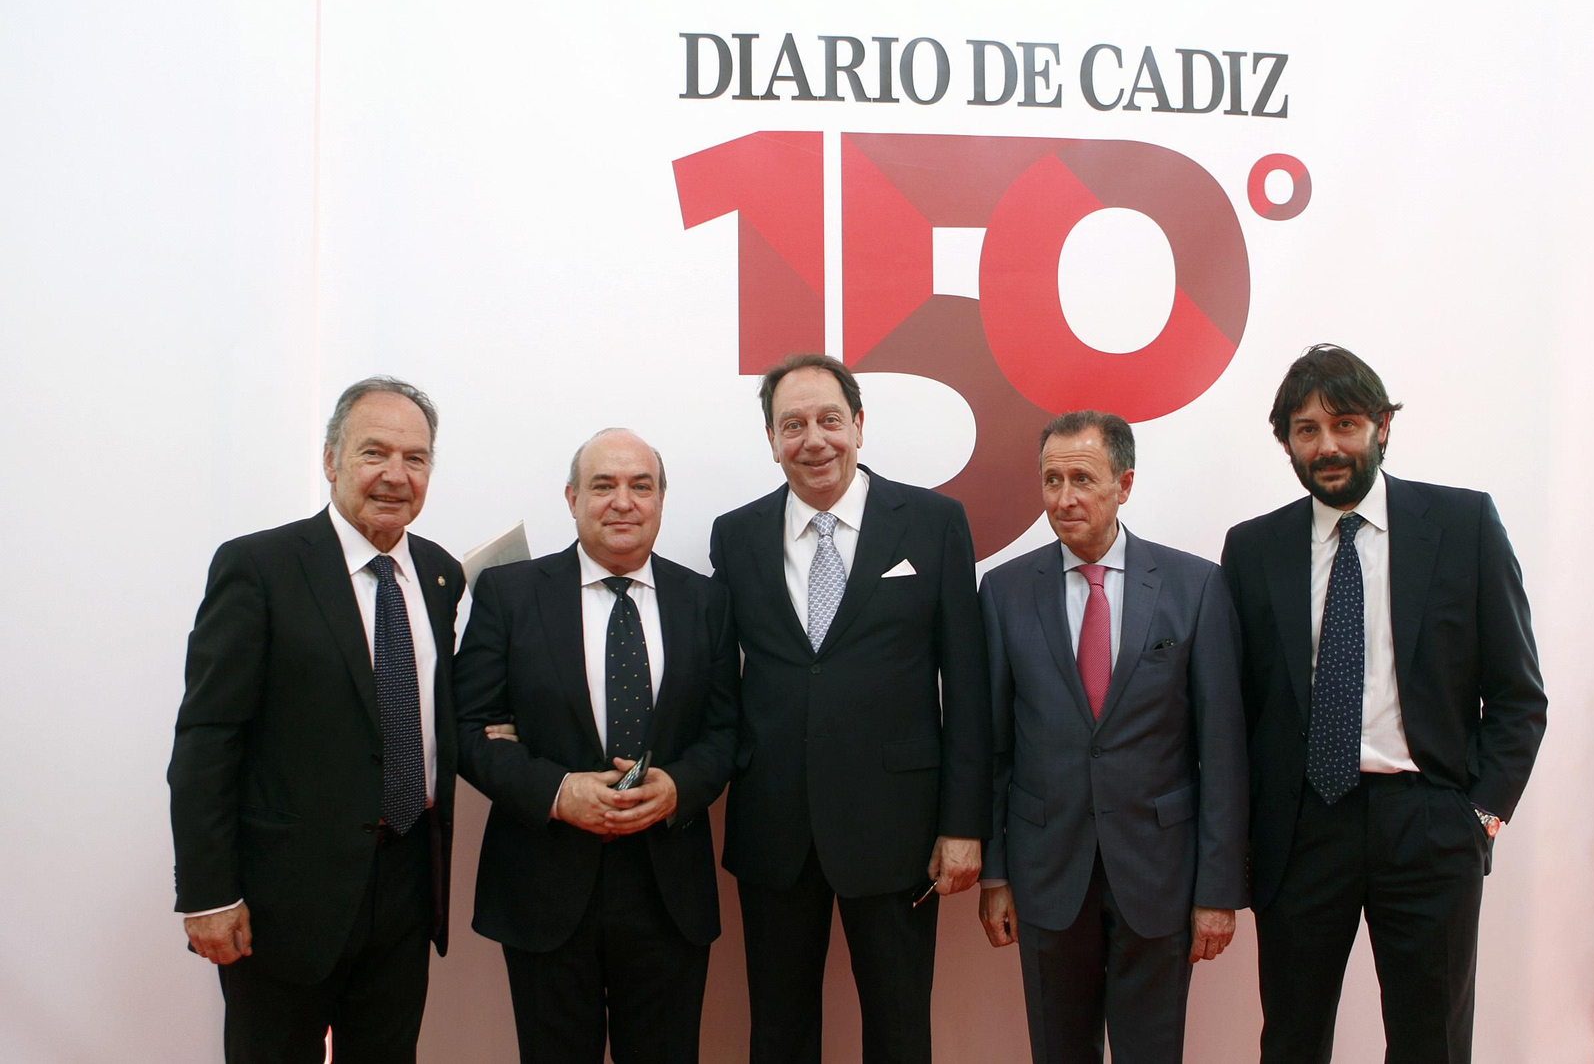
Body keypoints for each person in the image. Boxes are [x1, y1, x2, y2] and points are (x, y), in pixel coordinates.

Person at [1221, 344, 1547, 1063]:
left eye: (1345, 422)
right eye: (1306, 429)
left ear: (1382, 427)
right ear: (1286, 443)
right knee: (1293, 1041)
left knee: (1431, 1041)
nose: (1328, 444)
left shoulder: (1464, 526)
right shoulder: (1252, 549)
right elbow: (1234, 710)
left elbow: (1520, 695)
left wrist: (1481, 815)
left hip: (1429, 823)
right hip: (1302, 832)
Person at [168, 376, 465, 1062]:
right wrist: (209, 892)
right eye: (374, 452)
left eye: (415, 458)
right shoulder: (260, 565)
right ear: (331, 461)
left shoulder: (443, 574)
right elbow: (209, 736)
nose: (396, 474)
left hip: (407, 888)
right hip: (283, 900)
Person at [709, 354, 991, 1064]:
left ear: (859, 424)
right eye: (793, 424)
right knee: (778, 1030)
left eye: (830, 419)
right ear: (771, 438)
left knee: (899, 1030)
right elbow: (715, 680)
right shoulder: (735, 535)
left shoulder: (933, 523)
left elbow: (967, 686)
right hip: (775, 827)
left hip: (897, 830)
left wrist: (963, 824)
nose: (815, 440)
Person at [454, 428, 738, 1063]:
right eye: (603, 485)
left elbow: (726, 732)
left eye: (641, 486)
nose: (623, 501)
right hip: (543, 885)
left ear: (662, 500)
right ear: (572, 497)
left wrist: (679, 788)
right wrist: (557, 792)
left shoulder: (707, 603)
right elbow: (467, 730)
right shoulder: (509, 594)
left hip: (668, 891)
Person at [976, 410, 1248, 1064]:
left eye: (1082, 478)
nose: (1064, 497)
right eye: (1051, 479)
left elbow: (1223, 750)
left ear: (1123, 484)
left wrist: (1218, 890)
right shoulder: (1005, 591)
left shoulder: (1196, 586)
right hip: (1046, 874)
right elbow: (992, 749)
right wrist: (995, 872)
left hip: (1160, 874)